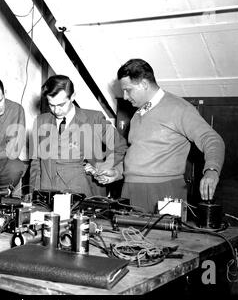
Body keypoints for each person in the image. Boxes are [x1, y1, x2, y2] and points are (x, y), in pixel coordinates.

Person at [94, 59, 225, 213]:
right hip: (130, 190)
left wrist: (211, 170)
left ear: (144, 84)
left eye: (128, 90)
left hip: (163, 190)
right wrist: (116, 172)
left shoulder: (179, 108)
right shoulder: (138, 114)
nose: (124, 96)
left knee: (161, 237)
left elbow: (212, 139)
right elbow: (138, 153)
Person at [29, 75, 127, 197]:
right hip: (47, 193)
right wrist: (33, 194)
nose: (56, 110)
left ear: (73, 96)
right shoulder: (40, 121)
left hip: (84, 192)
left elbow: (120, 147)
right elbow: (36, 163)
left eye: (61, 104)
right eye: (51, 105)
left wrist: (104, 167)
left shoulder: (94, 119)